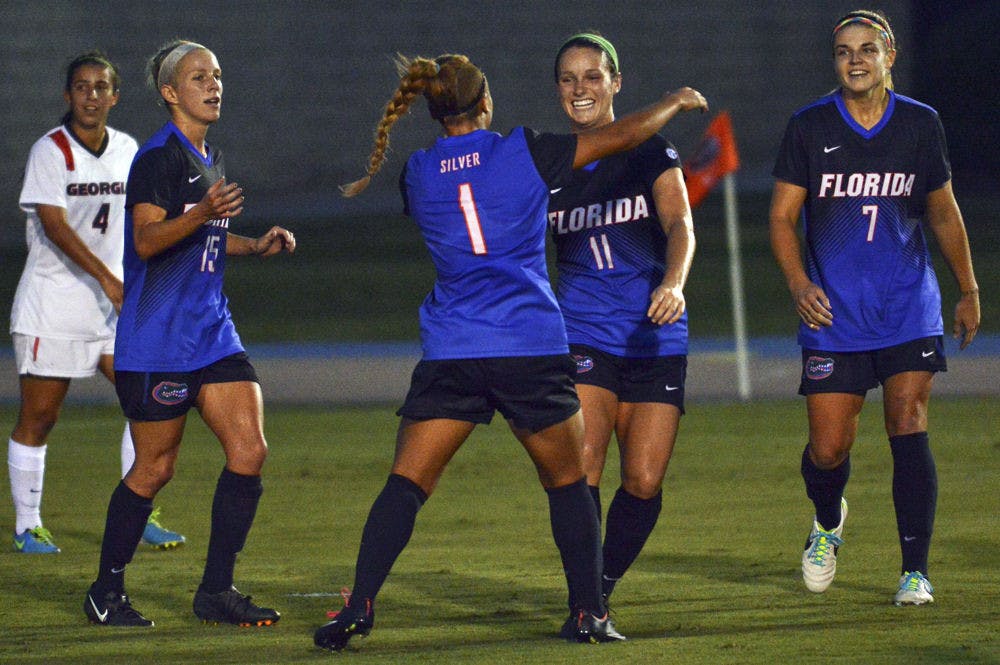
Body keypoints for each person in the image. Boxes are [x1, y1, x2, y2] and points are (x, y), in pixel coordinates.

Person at [312, 52, 706, 651]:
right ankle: (587, 614)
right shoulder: (523, 151)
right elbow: (622, 135)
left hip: (453, 348)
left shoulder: (416, 172)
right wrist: (674, 101)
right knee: (570, 482)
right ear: (486, 103)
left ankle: (359, 605)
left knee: (407, 483)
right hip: (528, 345)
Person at [769, 9, 979, 606]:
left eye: (867, 49)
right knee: (828, 449)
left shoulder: (919, 124)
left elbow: (942, 210)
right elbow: (783, 217)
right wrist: (797, 282)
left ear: (890, 56)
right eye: (843, 51)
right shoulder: (809, 126)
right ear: (834, 61)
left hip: (907, 308)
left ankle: (915, 570)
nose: (855, 60)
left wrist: (968, 288)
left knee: (908, 423)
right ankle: (828, 521)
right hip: (833, 318)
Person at [83, 40, 295, 627]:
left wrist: (251, 243)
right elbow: (149, 240)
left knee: (250, 451)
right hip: (158, 340)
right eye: (199, 76)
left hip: (212, 334)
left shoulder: (209, 156)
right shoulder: (157, 160)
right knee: (155, 468)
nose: (214, 84)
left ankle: (215, 592)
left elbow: (200, 237)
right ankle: (106, 590)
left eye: (218, 75)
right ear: (171, 93)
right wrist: (203, 212)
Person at [547, 33, 695, 629]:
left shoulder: (652, 153)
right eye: (567, 78)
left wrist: (675, 282)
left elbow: (681, 224)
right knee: (584, 468)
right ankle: (586, 605)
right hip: (583, 333)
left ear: (616, 83)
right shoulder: (548, 165)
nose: (579, 89)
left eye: (591, 76)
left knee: (644, 479)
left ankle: (598, 585)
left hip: (654, 333)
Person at [9, 51, 185, 554]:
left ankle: (141, 510)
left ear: (115, 95)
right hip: (54, 303)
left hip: (117, 304)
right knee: (40, 417)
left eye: (100, 87)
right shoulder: (50, 152)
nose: (91, 95)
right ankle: (28, 524)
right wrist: (109, 278)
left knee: (146, 404)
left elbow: (147, 218)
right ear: (68, 96)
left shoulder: (129, 149)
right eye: (81, 87)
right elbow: (54, 224)